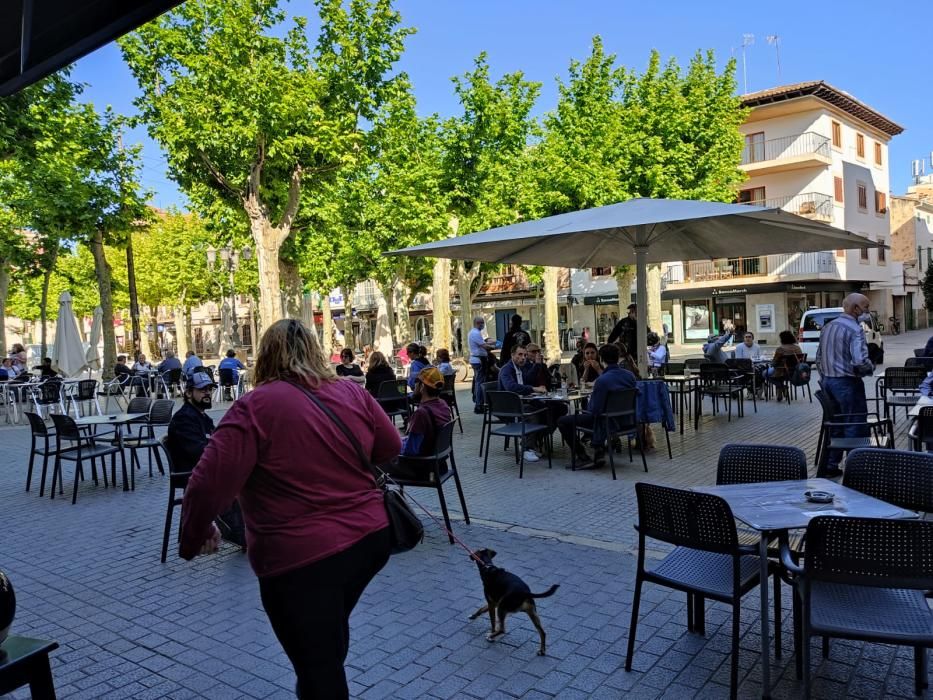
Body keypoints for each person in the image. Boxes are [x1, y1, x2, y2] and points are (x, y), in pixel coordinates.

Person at [179, 319, 400, 699]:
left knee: (317, 663)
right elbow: (390, 446)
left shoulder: (255, 405)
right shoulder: (351, 392)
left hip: (299, 557)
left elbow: (208, 481)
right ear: (315, 352)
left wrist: (193, 536)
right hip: (369, 539)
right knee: (324, 638)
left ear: (265, 357)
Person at [816, 293, 874, 477]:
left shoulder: (828, 327)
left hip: (827, 382)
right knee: (854, 424)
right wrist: (870, 368)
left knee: (836, 424)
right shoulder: (855, 329)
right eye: (865, 307)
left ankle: (831, 465)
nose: (867, 311)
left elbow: (818, 358)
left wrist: (825, 376)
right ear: (855, 308)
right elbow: (859, 361)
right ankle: (856, 468)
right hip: (847, 383)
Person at [557, 344, 637, 468]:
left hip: (607, 421)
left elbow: (595, 410)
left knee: (563, 421)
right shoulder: (630, 376)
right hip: (627, 421)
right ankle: (598, 451)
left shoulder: (603, 380)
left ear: (601, 359)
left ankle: (583, 456)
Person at [498, 345, 566, 462]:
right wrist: (534, 389)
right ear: (512, 355)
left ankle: (537, 439)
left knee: (557, 408)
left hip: (523, 401)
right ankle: (526, 447)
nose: (523, 358)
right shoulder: (507, 369)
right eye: (520, 355)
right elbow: (511, 387)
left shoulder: (519, 368)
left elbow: (526, 381)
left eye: (524, 355)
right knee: (533, 413)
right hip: (509, 407)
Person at [399, 367, 451, 458]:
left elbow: (411, 450)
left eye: (416, 383)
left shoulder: (421, 414)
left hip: (422, 463)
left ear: (422, 387)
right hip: (437, 460)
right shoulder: (443, 405)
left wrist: (395, 444)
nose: (414, 387)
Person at [765, 330, 804, 401]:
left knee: (765, 373)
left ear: (782, 339)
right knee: (777, 372)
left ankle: (782, 387)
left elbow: (774, 363)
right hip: (795, 372)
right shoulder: (797, 348)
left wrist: (770, 363)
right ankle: (780, 390)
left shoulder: (780, 349)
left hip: (782, 372)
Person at [468, 316, 496, 413]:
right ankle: (479, 405)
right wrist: (493, 346)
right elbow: (484, 346)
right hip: (479, 360)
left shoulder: (475, 333)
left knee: (478, 382)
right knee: (480, 383)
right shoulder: (475, 333)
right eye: (482, 323)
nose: (483, 325)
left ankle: (479, 402)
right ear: (478, 323)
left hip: (478, 359)